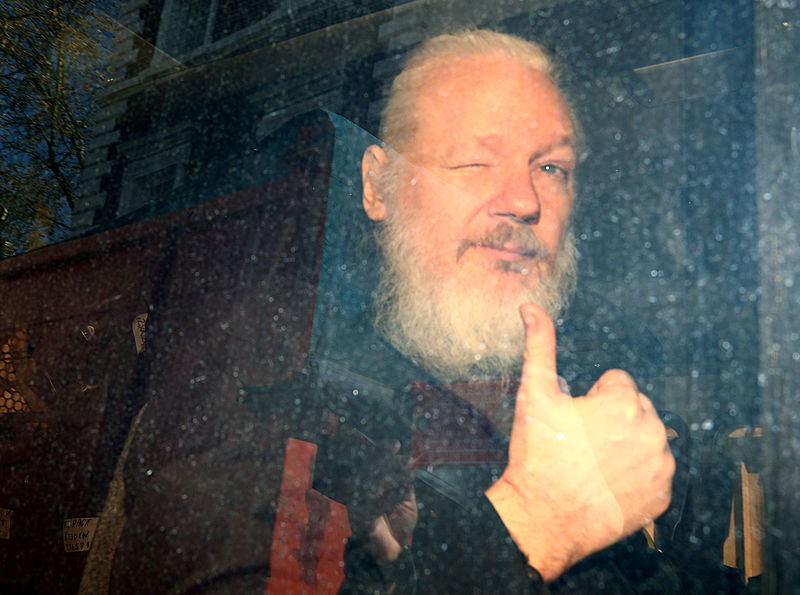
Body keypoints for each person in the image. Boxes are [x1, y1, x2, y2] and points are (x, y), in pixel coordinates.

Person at [107, 29, 678, 594]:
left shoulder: (593, 391)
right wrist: (534, 525)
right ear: (378, 184)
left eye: (551, 168)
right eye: (474, 162)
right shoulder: (263, 394)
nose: (525, 201)